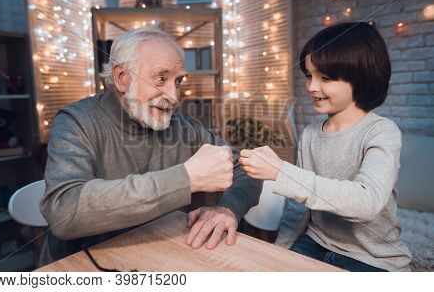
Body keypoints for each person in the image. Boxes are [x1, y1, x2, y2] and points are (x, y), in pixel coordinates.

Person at [39, 27, 261, 266]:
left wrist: (228, 209)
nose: (174, 96)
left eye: (178, 81)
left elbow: (247, 168)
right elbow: (64, 212)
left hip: (161, 258)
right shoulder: (76, 122)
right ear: (122, 77)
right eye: (161, 78)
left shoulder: (185, 128)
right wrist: (186, 179)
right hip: (81, 267)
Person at [239, 22, 411, 271]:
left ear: (361, 77)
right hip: (315, 242)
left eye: (325, 78)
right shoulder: (310, 133)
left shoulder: (382, 132)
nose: (311, 86)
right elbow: (299, 208)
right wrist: (279, 253)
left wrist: (281, 172)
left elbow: (367, 202)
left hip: (370, 258)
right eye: (309, 75)